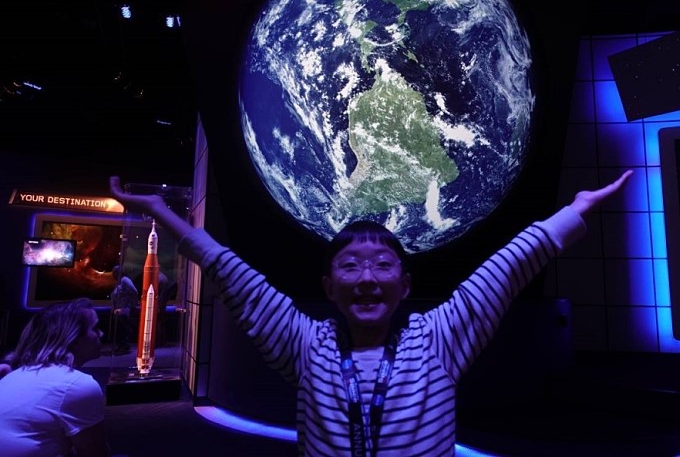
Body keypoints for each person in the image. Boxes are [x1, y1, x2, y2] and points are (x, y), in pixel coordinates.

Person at [108, 170, 633, 456]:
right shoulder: (306, 344)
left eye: (382, 265)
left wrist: (574, 211)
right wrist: (162, 214)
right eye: (350, 265)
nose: (366, 277)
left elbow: (506, 270)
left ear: (405, 286)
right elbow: (233, 275)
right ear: (328, 287)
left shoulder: (438, 339)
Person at [0, 297, 110, 457]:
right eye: (95, 328)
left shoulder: (15, 375)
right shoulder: (75, 384)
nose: (101, 334)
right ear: (73, 339)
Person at [110, 265, 139, 355]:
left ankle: (125, 346)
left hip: (124, 310)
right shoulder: (119, 282)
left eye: (114, 273)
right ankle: (121, 346)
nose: (113, 275)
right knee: (120, 329)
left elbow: (134, 291)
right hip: (119, 310)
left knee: (123, 329)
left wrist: (132, 304)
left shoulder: (125, 280)